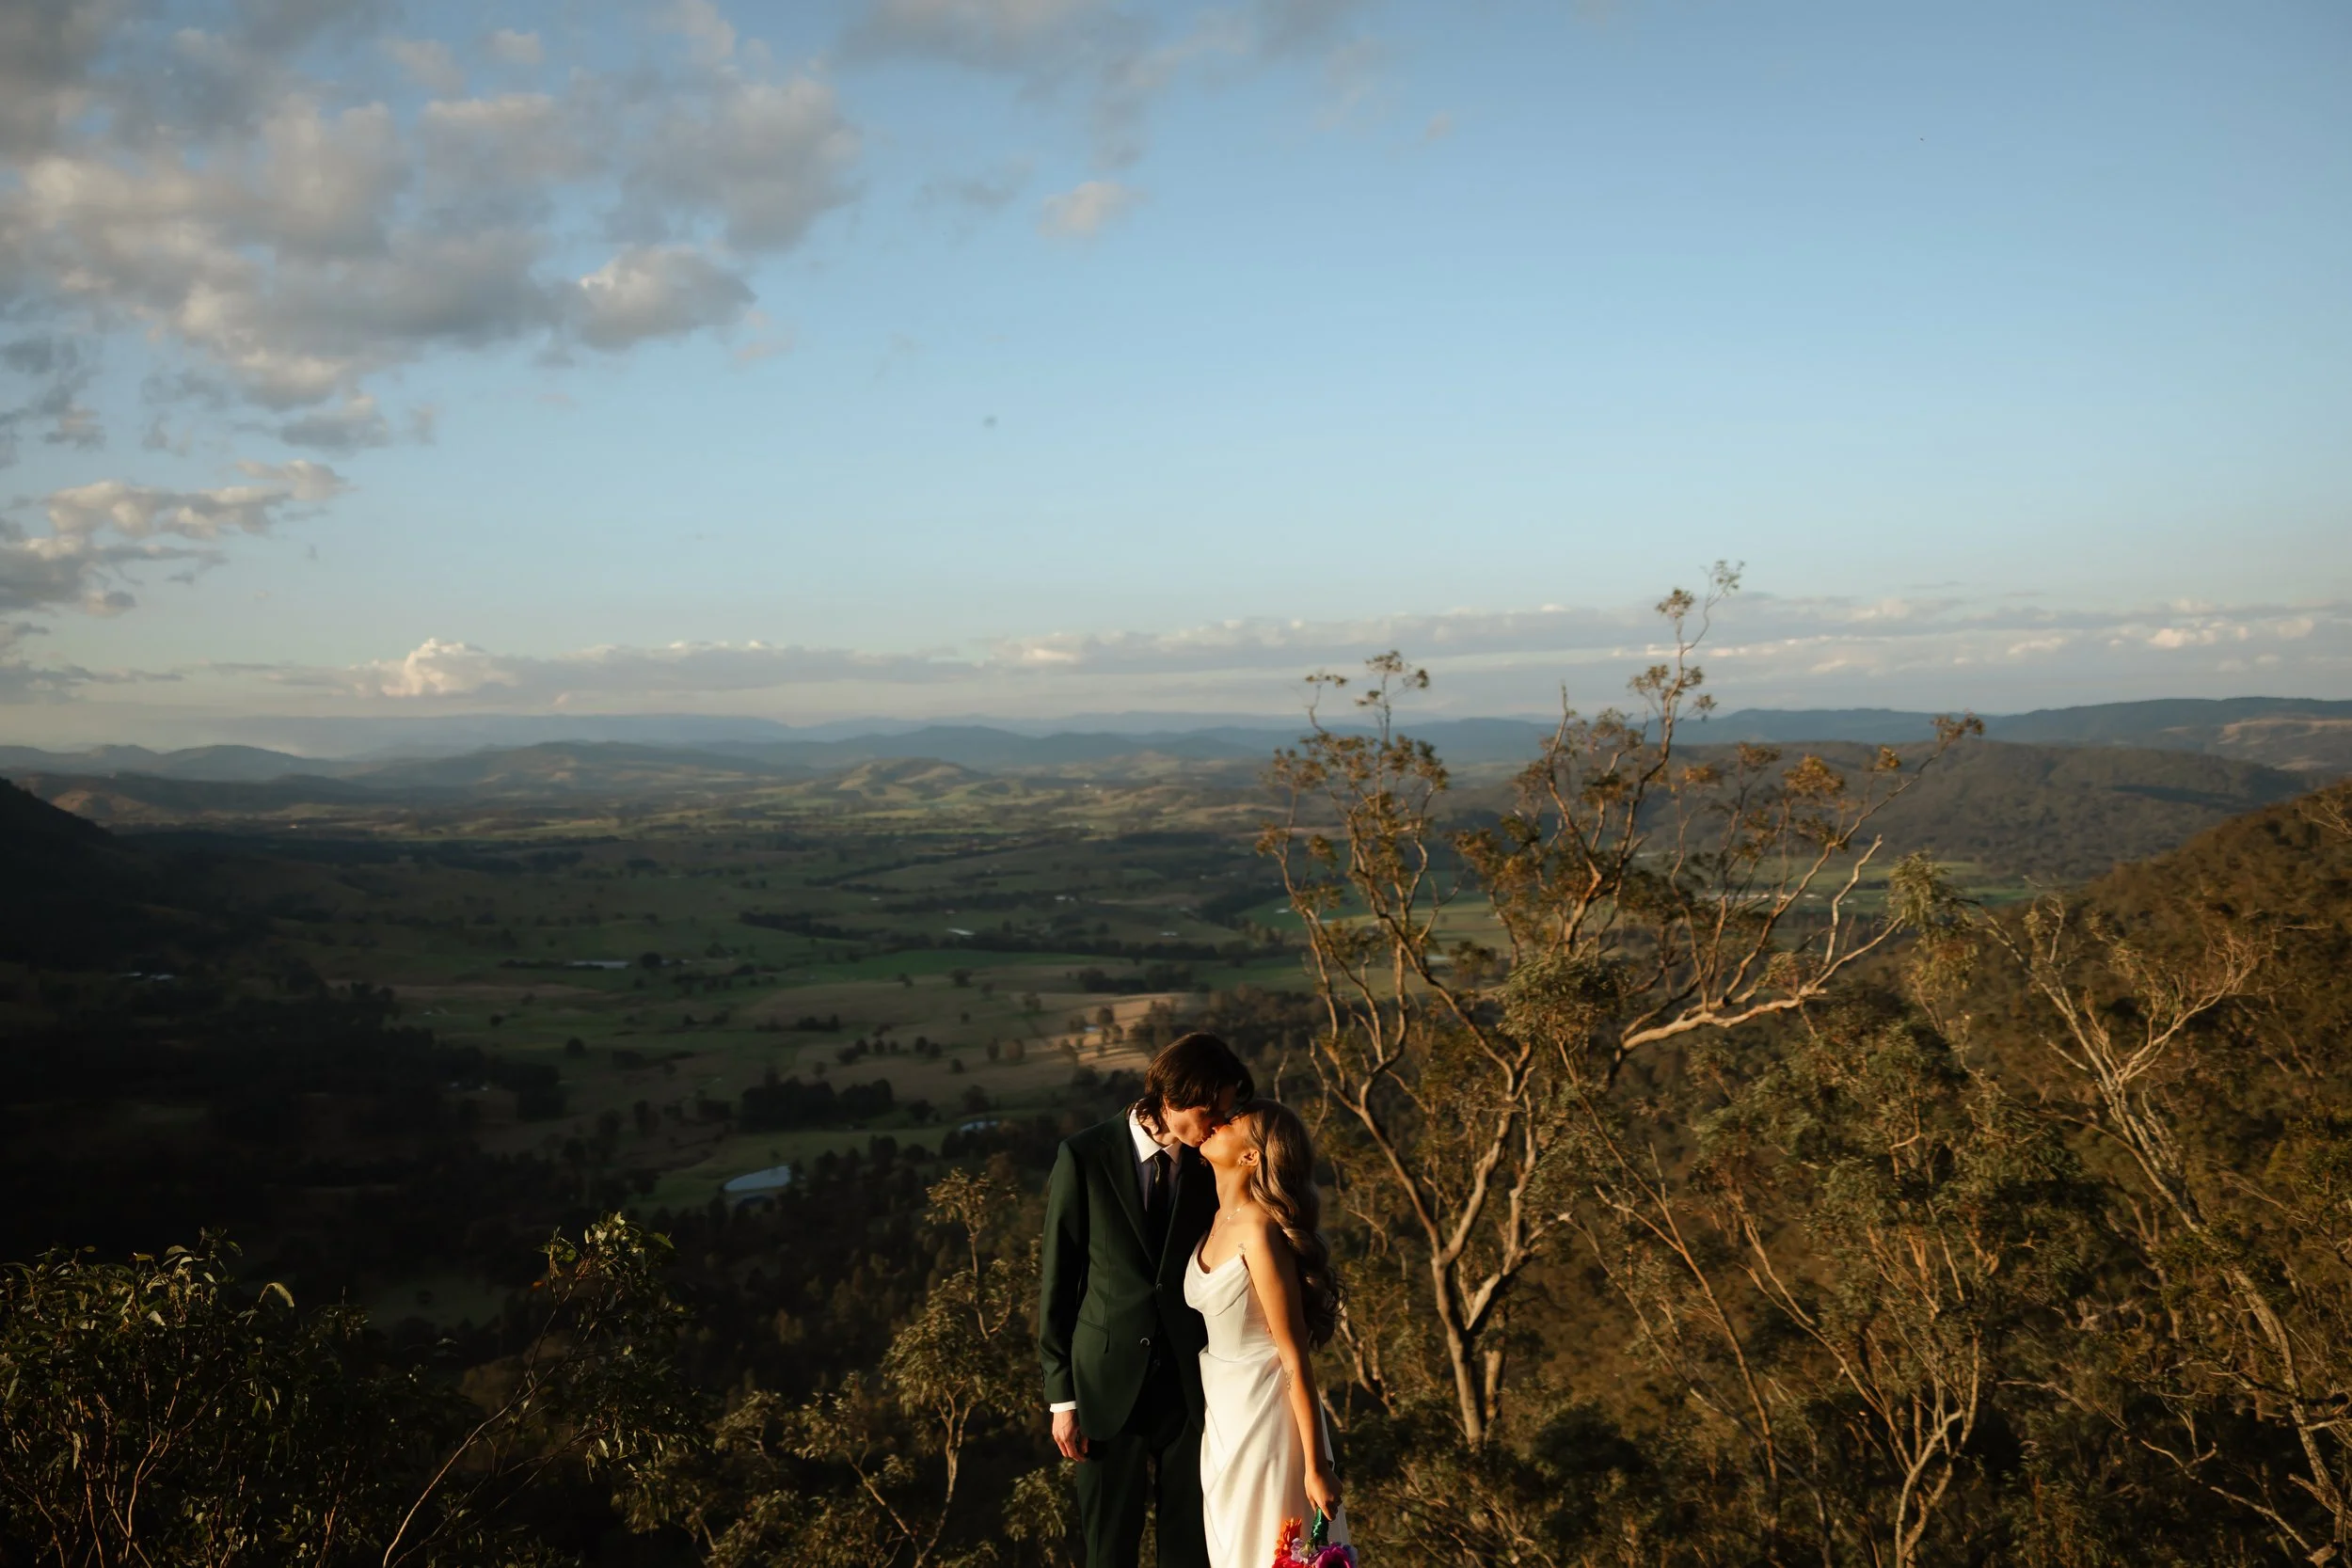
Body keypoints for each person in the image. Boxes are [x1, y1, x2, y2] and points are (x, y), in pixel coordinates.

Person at [1040, 1033, 1255, 1568]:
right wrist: (1062, 1398)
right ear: (1172, 1097)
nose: (1216, 1127)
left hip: (1191, 1392)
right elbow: (1058, 1284)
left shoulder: (1213, 1165)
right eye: (1210, 1112)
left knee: (1190, 1550)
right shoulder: (1085, 1156)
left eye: (1224, 1114)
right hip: (1104, 1392)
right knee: (1108, 1550)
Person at [1188, 1099, 1347, 1568]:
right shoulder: (1218, 1220)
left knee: (1263, 1548)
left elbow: (1294, 1357)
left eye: (1232, 1122)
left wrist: (1317, 1466)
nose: (1217, 1122)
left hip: (1266, 1412)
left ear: (1251, 1155)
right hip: (1222, 1412)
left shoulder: (1259, 1231)